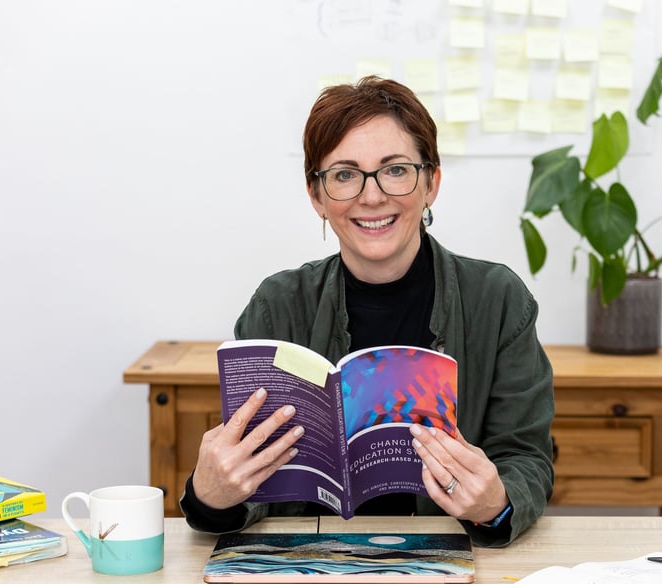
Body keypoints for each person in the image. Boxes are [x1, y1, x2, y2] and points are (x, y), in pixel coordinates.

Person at [180, 76, 554, 547]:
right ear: (317, 197)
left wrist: (496, 503)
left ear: (431, 183)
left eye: (395, 170)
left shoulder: (498, 299)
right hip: (310, 562)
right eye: (344, 174)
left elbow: (526, 457)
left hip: (449, 558)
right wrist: (211, 495)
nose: (372, 195)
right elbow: (250, 471)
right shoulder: (277, 306)